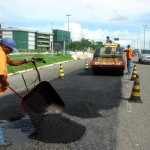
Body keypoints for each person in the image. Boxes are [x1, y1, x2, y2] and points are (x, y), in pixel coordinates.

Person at [0, 37, 32, 147]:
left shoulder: (3, 53)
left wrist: (25, 60)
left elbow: (12, 62)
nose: (12, 51)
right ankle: (0, 141)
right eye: (11, 49)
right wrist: (5, 83)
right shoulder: (0, 54)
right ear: (5, 46)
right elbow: (0, 75)